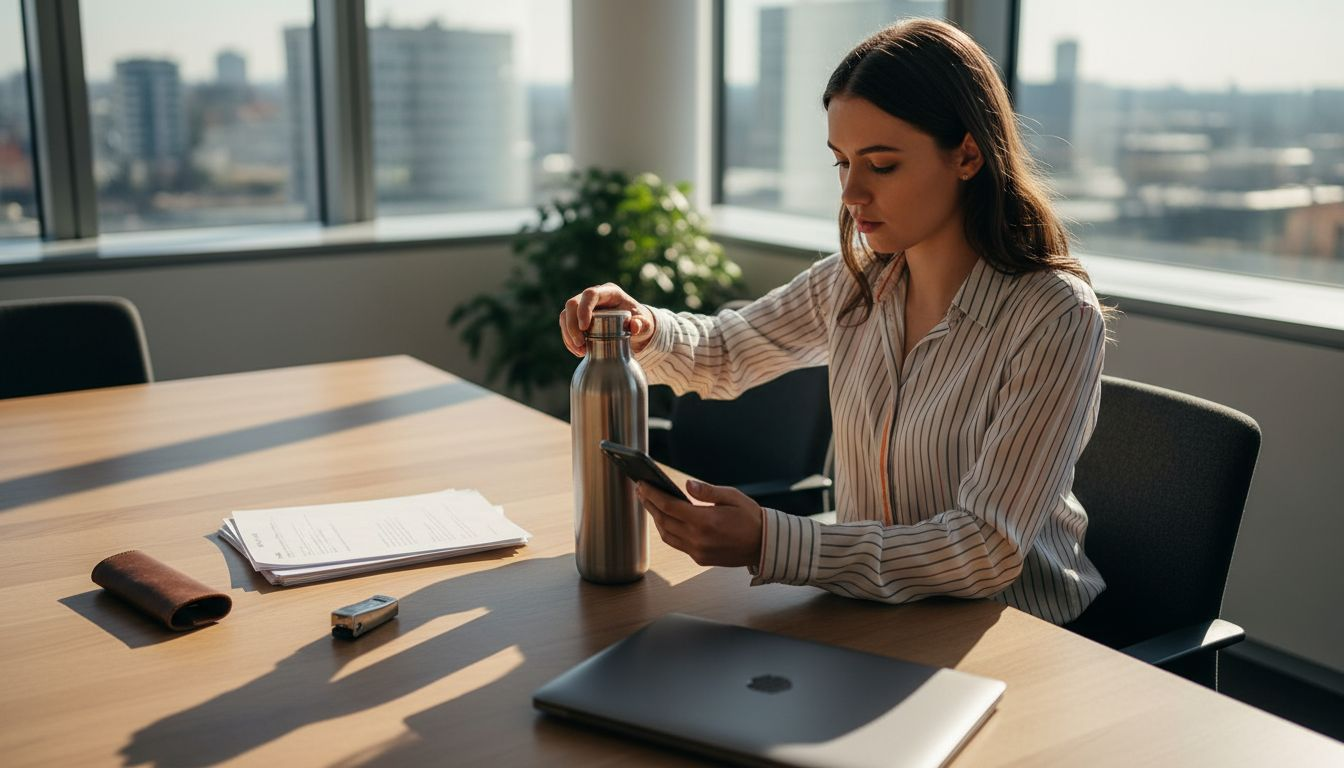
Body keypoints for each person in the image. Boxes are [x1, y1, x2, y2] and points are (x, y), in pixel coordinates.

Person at [557, 18, 1110, 625]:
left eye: (882, 165)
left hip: (1012, 635)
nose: (851, 193)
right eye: (842, 163)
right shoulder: (855, 281)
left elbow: (983, 547)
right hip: (869, 618)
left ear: (968, 155)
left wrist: (773, 542)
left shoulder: (1054, 316)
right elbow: (726, 351)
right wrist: (643, 326)